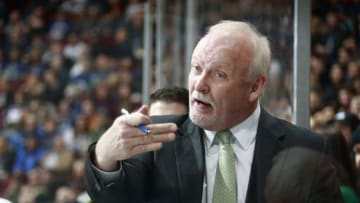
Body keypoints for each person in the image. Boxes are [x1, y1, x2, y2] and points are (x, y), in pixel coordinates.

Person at [85, 20, 340, 203]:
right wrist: (105, 154)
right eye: (196, 68)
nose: (200, 84)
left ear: (255, 86)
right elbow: (112, 197)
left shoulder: (309, 149)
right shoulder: (155, 137)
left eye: (219, 74)